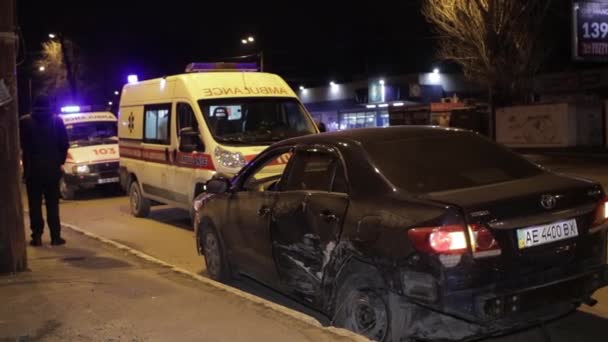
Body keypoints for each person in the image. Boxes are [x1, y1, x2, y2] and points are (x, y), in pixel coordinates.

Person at [19, 96, 69, 246]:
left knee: (34, 205)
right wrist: (59, 162)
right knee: (52, 204)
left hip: (32, 170)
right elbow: (64, 145)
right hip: (52, 170)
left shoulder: (25, 122)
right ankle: (55, 237)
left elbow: (21, 144)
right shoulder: (57, 121)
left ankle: (37, 236)